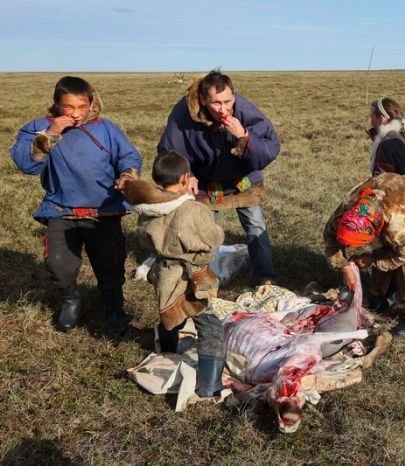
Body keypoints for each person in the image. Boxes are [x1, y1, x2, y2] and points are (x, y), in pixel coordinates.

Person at [10, 76, 142, 336]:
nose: (76, 114)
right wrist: (50, 135)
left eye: (82, 107)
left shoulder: (106, 128)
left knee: (111, 267)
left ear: (91, 103)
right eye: (68, 107)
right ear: (57, 104)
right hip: (61, 210)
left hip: (103, 210)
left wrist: (127, 175)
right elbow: (26, 164)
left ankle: (115, 309)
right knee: (59, 266)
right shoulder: (39, 127)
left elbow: (129, 156)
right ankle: (71, 298)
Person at [157, 69, 280, 286]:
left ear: (234, 95)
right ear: (203, 99)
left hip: (242, 179)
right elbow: (171, 151)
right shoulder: (183, 113)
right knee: (207, 233)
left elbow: (270, 148)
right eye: (216, 103)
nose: (224, 109)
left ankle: (265, 278)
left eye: (228, 101)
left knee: (256, 225)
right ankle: (208, 282)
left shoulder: (244, 110)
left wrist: (244, 136)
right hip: (206, 182)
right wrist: (187, 176)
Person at [121, 150, 226, 397]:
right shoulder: (192, 209)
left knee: (172, 311)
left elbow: (145, 240)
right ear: (185, 178)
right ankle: (211, 387)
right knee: (209, 324)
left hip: (165, 273)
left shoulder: (148, 209)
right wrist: (194, 200)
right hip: (191, 276)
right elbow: (212, 239)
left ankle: (167, 354)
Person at [324, 173, 405, 337]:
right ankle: (389, 296)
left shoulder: (403, 226)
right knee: (383, 257)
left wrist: (372, 259)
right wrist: (344, 267)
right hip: (390, 207)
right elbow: (330, 236)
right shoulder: (351, 207)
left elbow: (404, 254)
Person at [366, 97, 405, 177]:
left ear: (382, 119)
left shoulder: (386, 145)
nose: (370, 120)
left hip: (397, 188)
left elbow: (381, 180)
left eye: (372, 116)